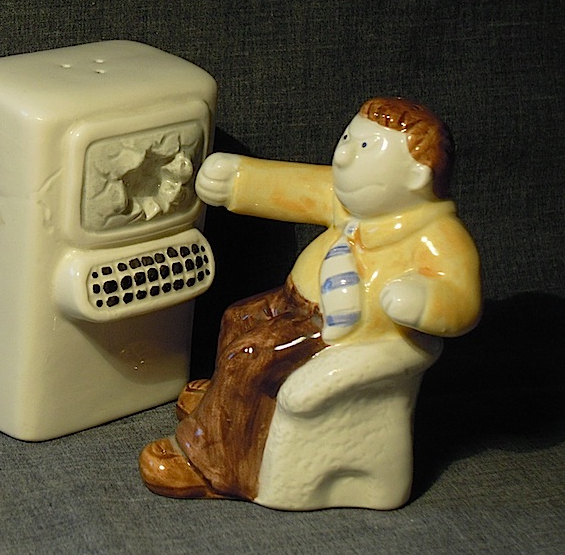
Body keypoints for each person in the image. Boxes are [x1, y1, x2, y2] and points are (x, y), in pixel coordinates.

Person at [139, 97, 481, 509]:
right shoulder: (354, 200)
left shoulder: (437, 236)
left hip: (336, 330)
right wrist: (237, 181)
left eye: (364, 148)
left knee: (249, 356)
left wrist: (423, 301)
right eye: (348, 138)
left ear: (416, 175)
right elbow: (295, 188)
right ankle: (228, 408)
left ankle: (213, 464)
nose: (344, 154)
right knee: (237, 319)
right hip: (293, 300)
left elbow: (461, 299)